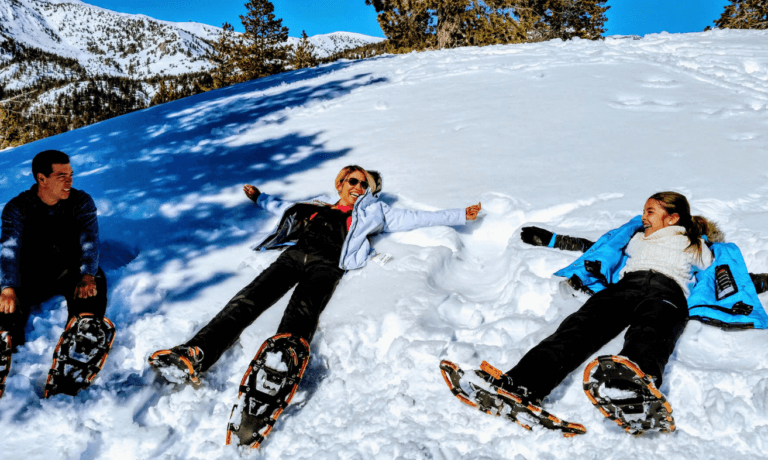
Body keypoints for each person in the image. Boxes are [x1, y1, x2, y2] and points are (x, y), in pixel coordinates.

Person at [150, 165, 480, 384]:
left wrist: (460, 216)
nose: (359, 187)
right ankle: (196, 352)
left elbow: (416, 218)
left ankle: (282, 362)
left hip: (327, 263)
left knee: (303, 308)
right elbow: (285, 207)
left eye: (366, 185)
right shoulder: (318, 204)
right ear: (340, 184)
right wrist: (260, 197)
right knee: (247, 300)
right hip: (292, 257)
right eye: (354, 181)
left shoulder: (376, 212)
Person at [463, 192, 759, 432]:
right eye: (644, 211)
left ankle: (634, 389)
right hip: (626, 287)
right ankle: (522, 383)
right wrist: (553, 240)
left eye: (650, 211)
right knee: (578, 328)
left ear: (673, 218)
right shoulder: (637, 239)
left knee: (652, 331)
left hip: (667, 293)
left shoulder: (696, 246)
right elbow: (598, 248)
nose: (643, 217)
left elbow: (735, 277)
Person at [0, 150, 113, 398]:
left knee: (94, 281)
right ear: (42, 179)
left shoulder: (81, 202)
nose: (69, 180)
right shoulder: (17, 208)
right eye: (61, 176)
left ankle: (82, 339)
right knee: (6, 301)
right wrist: (8, 288)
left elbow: (90, 241)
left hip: (69, 271)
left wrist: (87, 275)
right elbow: (9, 248)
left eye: (70, 174)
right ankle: (4, 339)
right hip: (30, 274)